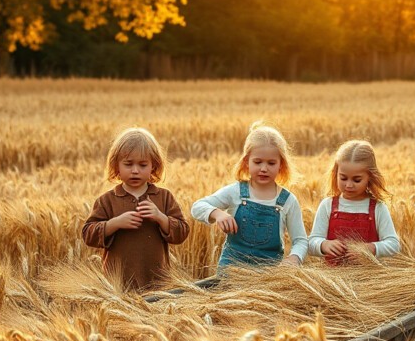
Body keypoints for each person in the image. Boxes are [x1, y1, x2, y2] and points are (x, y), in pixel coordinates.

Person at [81, 127, 190, 292]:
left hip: (157, 282)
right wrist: (115, 224)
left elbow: (182, 232)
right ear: (116, 166)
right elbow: (88, 234)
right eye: (128, 164)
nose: (135, 170)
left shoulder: (164, 197)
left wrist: (161, 218)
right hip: (117, 285)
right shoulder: (107, 201)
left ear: (154, 166)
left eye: (143, 164)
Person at [191, 121, 308, 272]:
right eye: (257, 162)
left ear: (281, 165)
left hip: (267, 278)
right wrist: (217, 213)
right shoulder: (236, 192)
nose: (264, 168)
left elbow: (300, 240)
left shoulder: (288, 201)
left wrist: (294, 258)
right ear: (246, 162)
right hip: (231, 273)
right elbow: (197, 207)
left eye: (271, 163)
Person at [308, 140, 401, 265]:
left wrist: (371, 248)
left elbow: (394, 245)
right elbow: (311, 242)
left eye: (357, 180)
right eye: (343, 178)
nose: (349, 185)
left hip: (369, 279)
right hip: (332, 280)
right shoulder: (327, 205)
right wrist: (323, 245)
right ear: (335, 174)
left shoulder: (378, 208)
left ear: (370, 177)